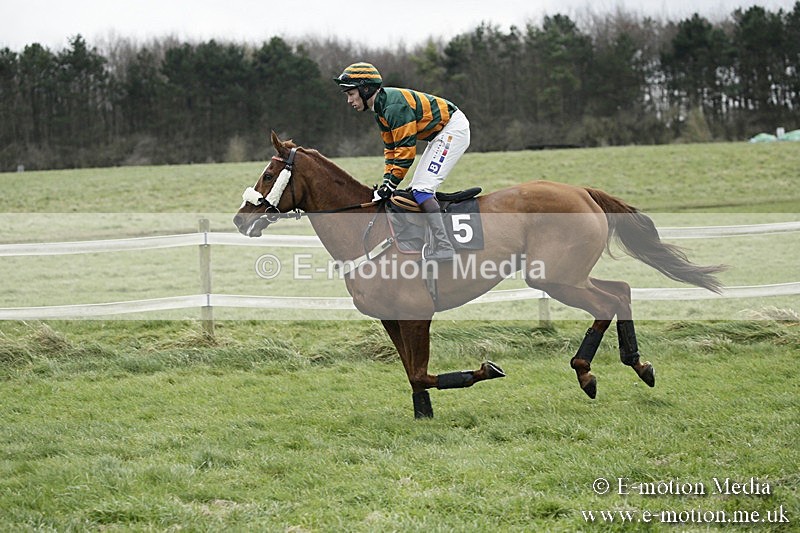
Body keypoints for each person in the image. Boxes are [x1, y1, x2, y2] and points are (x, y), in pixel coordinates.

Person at [333, 62, 470, 261]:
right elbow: (391, 150)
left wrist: (391, 185)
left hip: (452, 130)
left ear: (365, 89)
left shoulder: (393, 107)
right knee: (415, 190)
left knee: (422, 189)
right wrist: (387, 182)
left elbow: (406, 152)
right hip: (441, 133)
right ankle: (429, 241)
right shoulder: (381, 109)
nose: (349, 100)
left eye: (351, 93)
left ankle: (444, 246)